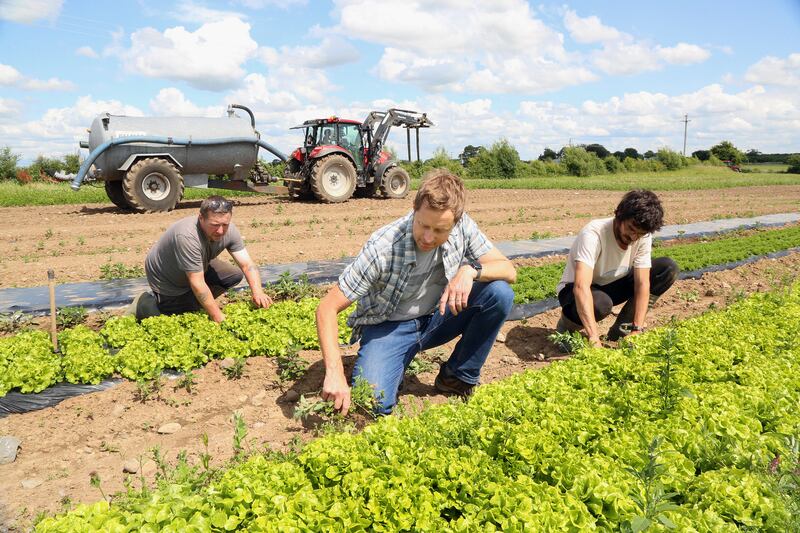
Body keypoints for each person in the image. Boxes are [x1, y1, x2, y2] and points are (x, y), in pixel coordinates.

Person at [315, 169, 517, 415]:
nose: (428, 237)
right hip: (389, 328)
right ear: (414, 209)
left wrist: (470, 270)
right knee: (372, 405)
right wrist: (334, 374)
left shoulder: (463, 226)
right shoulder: (383, 247)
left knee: (499, 293)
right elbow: (327, 308)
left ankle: (457, 377)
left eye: (440, 230)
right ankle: (394, 359)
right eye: (423, 225)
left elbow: (509, 270)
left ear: (455, 222)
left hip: (437, 318)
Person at [555, 189, 679, 346]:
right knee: (600, 304)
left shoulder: (642, 235)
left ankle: (622, 331)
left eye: (639, 234)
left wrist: (637, 329)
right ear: (619, 214)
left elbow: (642, 283)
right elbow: (581, 287)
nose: (633, 237)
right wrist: (594, 337)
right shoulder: (594, 233)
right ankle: (566, 329)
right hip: (574, 290)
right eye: (631, 229)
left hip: (613, 283)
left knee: (667, 269)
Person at [131, 195, 272, 322]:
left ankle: (195, 302)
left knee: (233, 275)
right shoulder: (187, 236)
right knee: (179, 313)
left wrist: (258, 291)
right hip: (167, 279)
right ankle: (144, 304)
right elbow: (197, 282)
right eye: (215, 225)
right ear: (201, 218)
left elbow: (247, 265)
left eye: (225, 225)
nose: (221, 231)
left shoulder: (229, 230)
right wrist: (218, 317)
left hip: (195, 265)